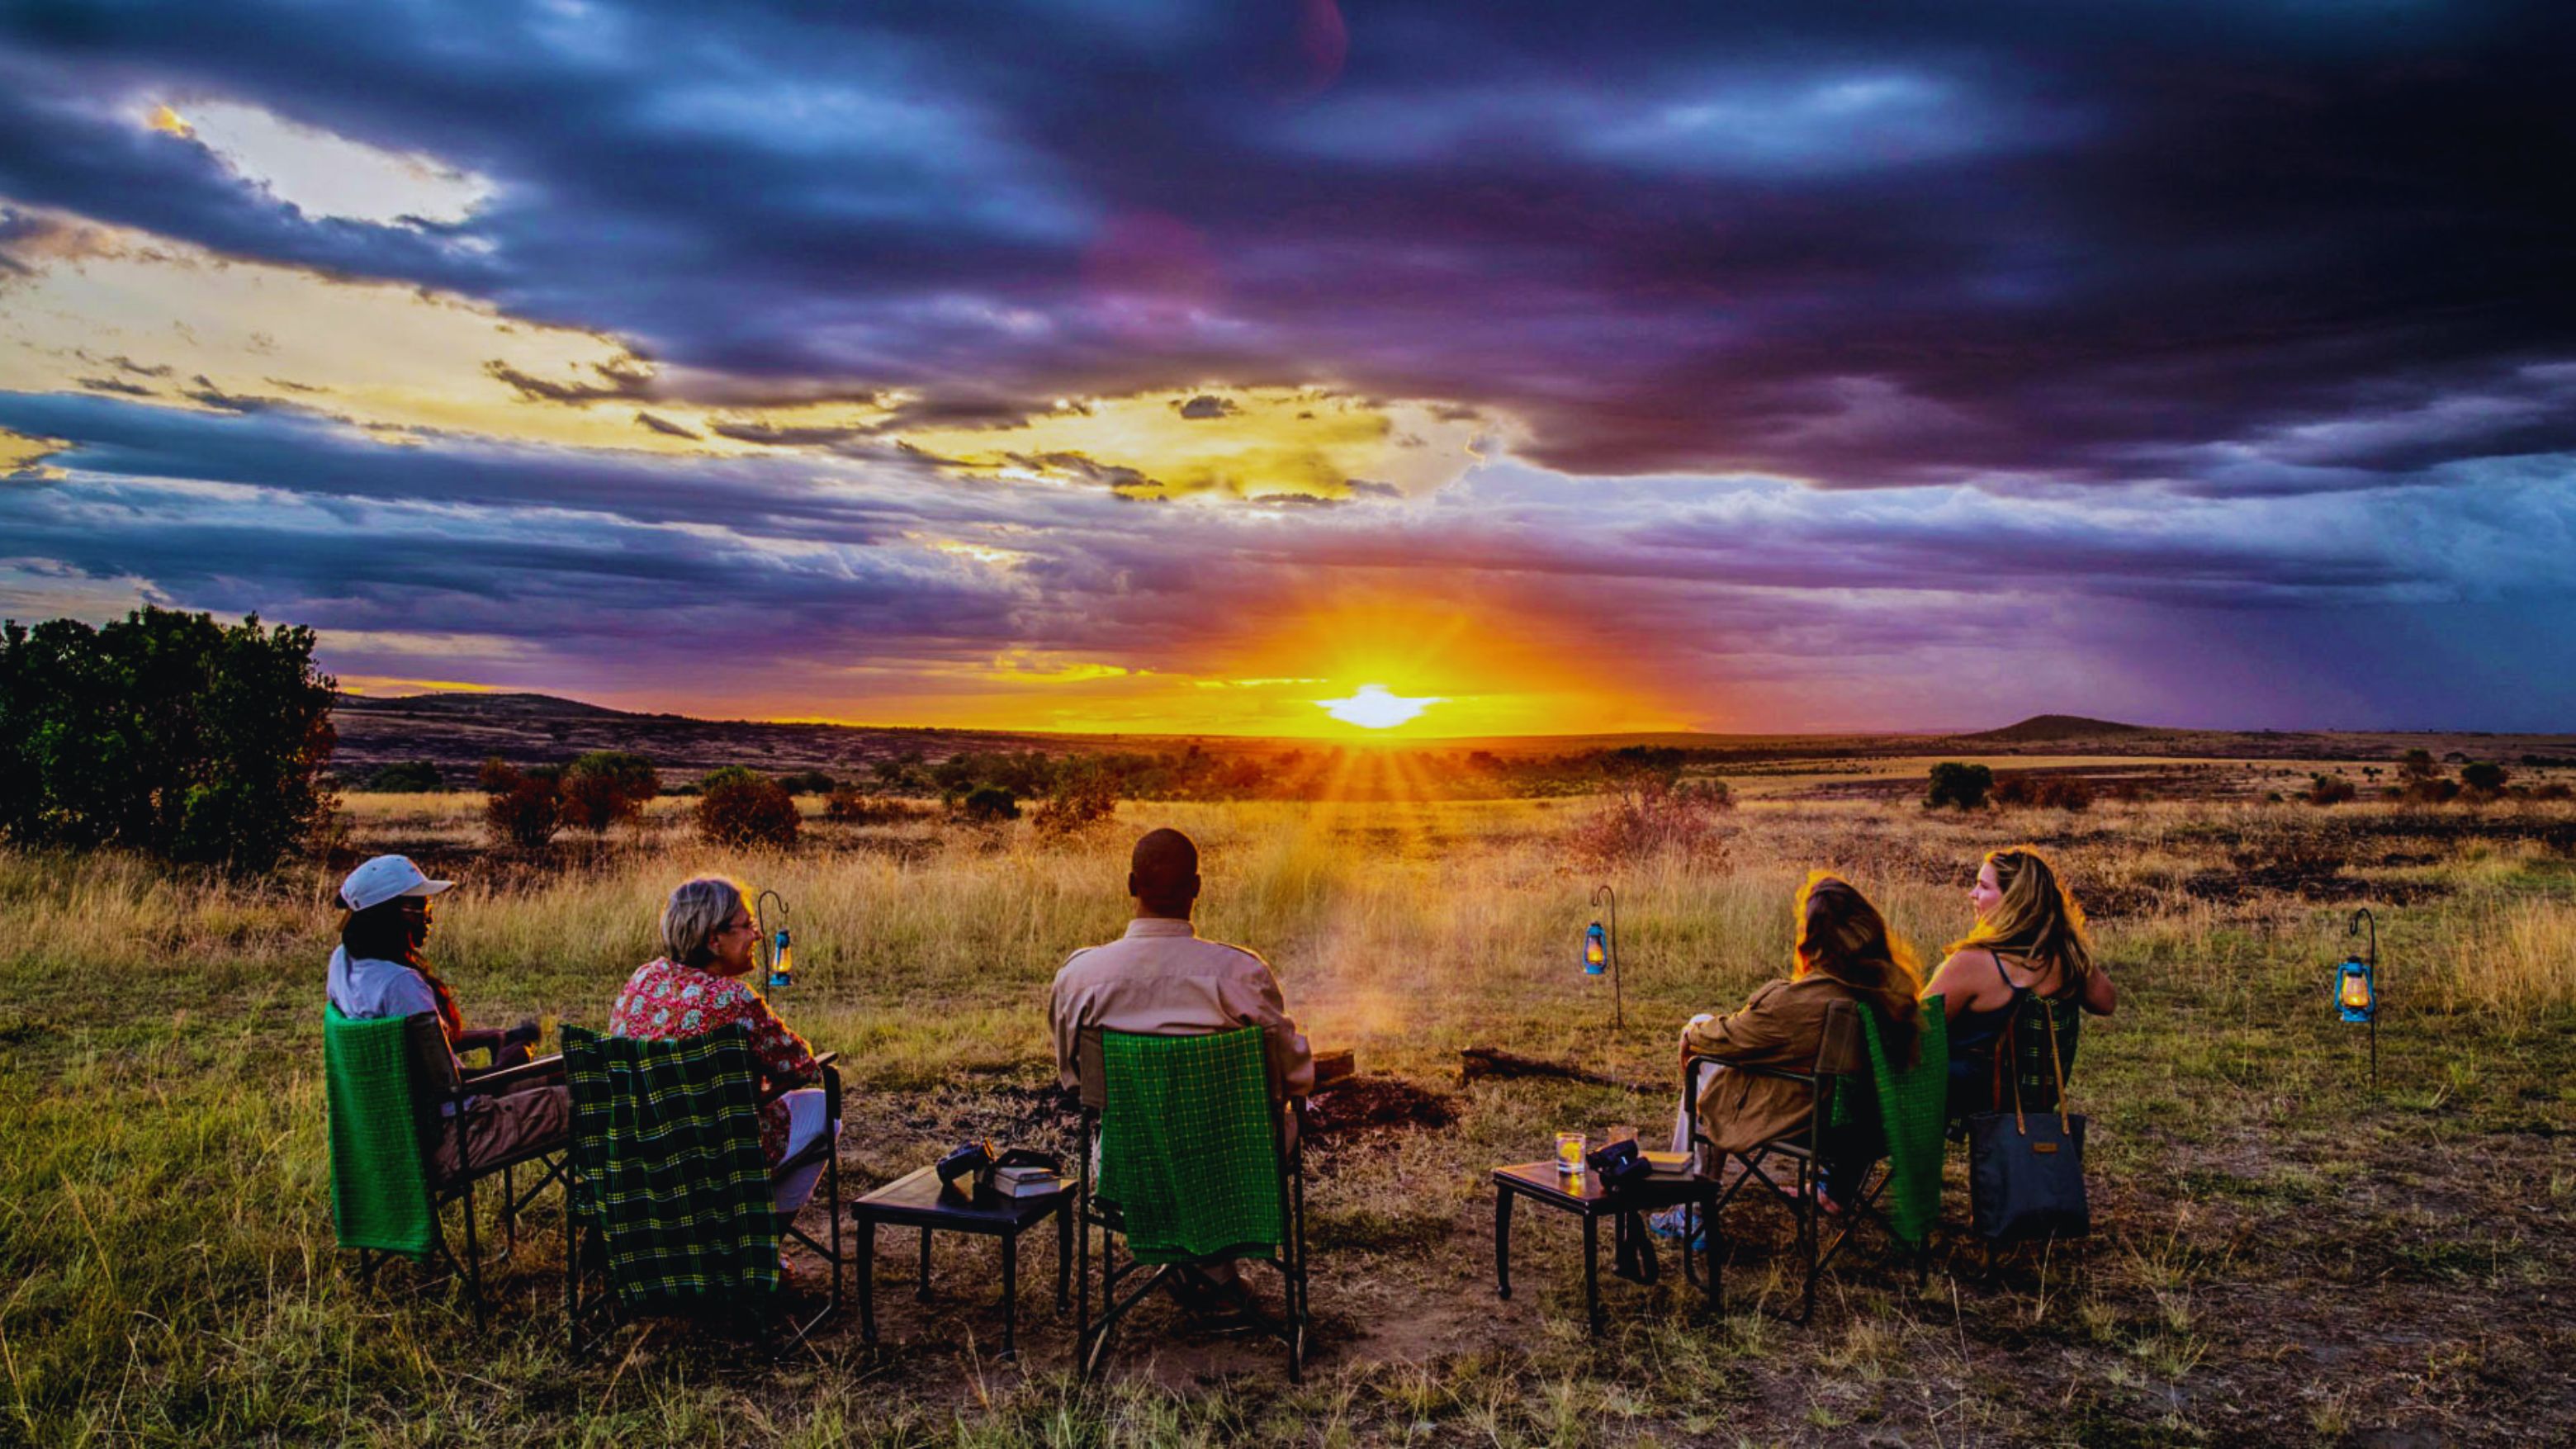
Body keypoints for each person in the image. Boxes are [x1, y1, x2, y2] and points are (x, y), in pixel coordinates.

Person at [1049, 827, 1314, 1306]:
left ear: (1132, 885)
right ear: (1197, 888)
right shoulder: (1241, 974)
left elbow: (1074, 1079)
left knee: (1135, 1133)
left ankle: (1196, 1268)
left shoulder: (1081, 977)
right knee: (1285, 1120)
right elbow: (1294, 1079)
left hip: (1128, 1167)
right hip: (1236, 1165)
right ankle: (1215, 1272)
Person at [1674, 872, 1922, 1213]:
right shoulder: (1892, 989)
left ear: (1814, 936)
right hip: (1870, 1126)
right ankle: (1691, 1204)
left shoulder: (1806, 1001)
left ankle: (1689, 1208)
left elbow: (1733, 1037)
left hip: (1815, 1126)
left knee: (1707, 1059)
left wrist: (1691, 1033)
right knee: (1716, 1053)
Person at [325, 854, 567, 1179]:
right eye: (422, 907)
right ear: (394, 915)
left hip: (405, 1130)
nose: (429, 918)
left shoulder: (344, 964)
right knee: (594, 1095)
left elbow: (413, 1047)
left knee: (568, 1071)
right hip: (458, 1134)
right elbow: (452, 1085)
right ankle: (604, 1220)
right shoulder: (400, 984)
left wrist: (489, 1037)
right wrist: (506, 1065)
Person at [608, 876, 839, 1215]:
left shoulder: (644, 978)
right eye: (747, 926)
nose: (757, 935)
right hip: (712, 1162)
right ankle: (761, 1242)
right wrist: (760, 1091)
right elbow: (802, 1065)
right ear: (715, 938)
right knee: (824, 1112)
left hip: (636, 1156)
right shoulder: (734, 1000)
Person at [1921, 845, 2116, 1121]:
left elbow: (1916, 1030)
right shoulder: (2068, 957)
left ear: (2015, 900)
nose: (1972, 894)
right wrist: (2074, 950)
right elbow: (2107, 1003)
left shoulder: (1974, 961)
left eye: (1983, 886)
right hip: (2035, 1098)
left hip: (1971, 1095)